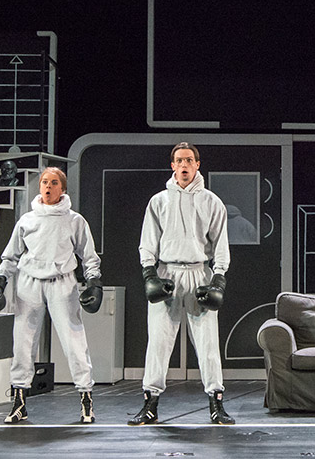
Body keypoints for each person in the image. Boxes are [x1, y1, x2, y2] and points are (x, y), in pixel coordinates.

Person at [0, 167, 104, 424]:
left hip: (62, 283)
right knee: (23, 341)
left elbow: (89, 256)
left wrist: (94, 282)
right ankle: (19, 401)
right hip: (29, 283)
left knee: (74, 340)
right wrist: (0, 279)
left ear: (62, 188)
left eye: (53, 183)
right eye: (44, 182)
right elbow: (11, 255)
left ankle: (86, 398)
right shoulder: (27, 220)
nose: (48, 187)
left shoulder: (74, 220)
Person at [129, 142, 235, 425]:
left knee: (208, 342)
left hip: (199, 272)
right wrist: (150, 275)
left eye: (189, 160)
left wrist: (218, 280)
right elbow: (147, 243)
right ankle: (150, 404)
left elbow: (221, 246)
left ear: (197, 165)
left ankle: (216, 403)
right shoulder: (159, 201)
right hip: (168, 273)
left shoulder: (211, 202)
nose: (184, 164)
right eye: (179, 160)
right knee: (158, 341)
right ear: (172, 165)